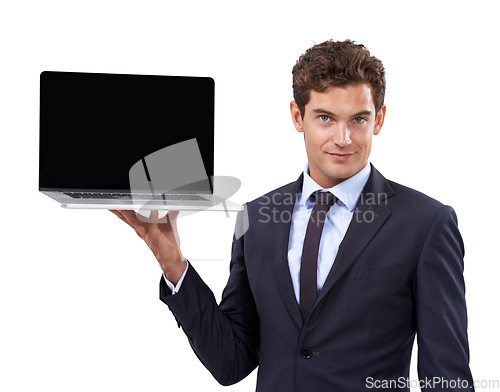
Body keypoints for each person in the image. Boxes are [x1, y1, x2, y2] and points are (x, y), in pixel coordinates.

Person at [111, 39, 474, 391]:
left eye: (358, 119)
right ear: (298, 116)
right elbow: (231, 362)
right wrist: (172, 261)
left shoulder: (425, 224)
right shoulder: (257, 218)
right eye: (326, 118)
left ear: (378, 119)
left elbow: (446, 377)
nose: (344, 138)